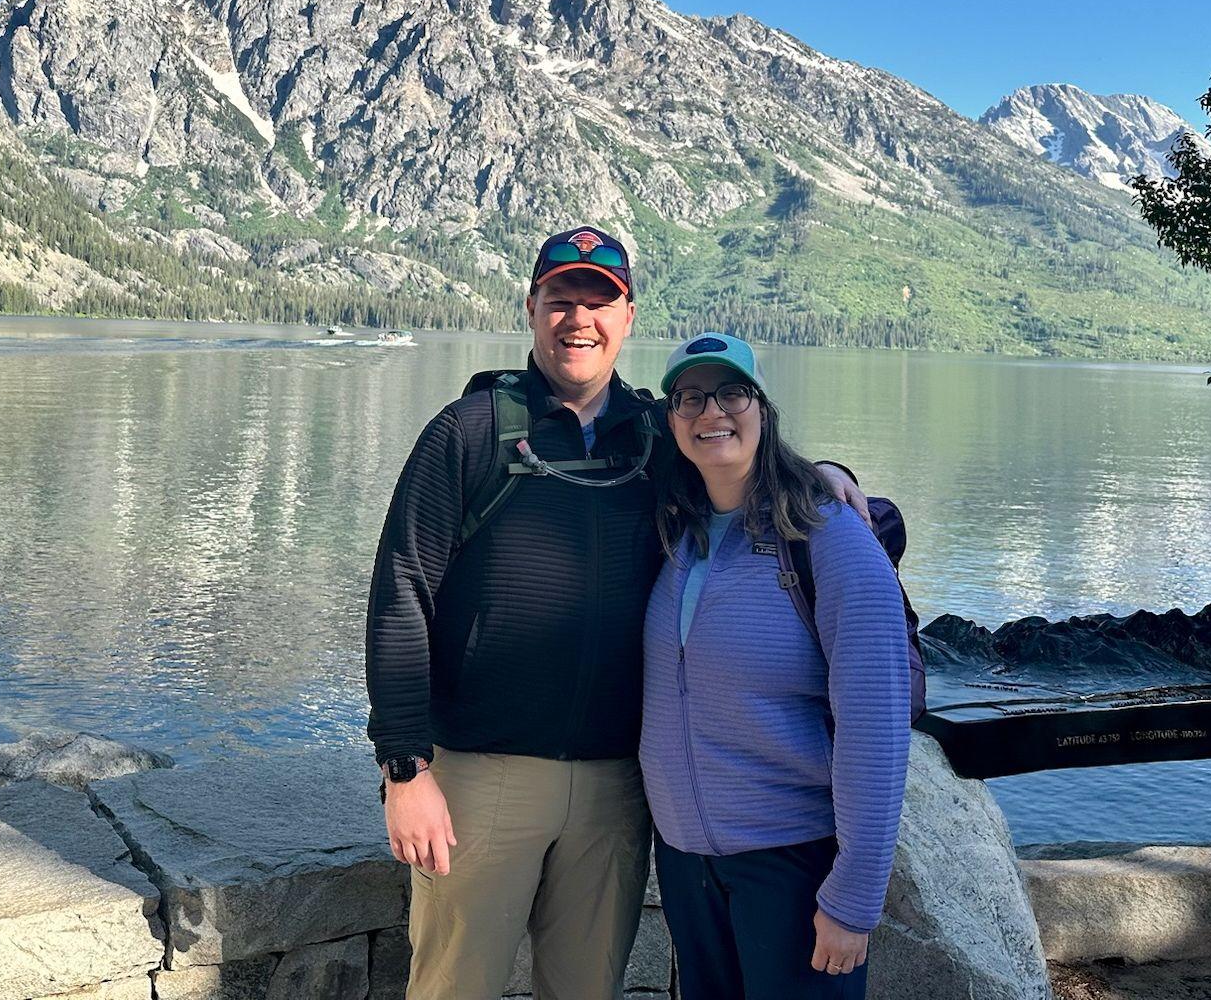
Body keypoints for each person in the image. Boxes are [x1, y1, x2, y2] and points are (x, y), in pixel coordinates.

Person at [364, 227, 866, 1000]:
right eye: (560, 300)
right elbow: (402, 591)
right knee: (452, 988)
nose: (578, 320)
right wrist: (405, 768)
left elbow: (745, 478)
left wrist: (829, 473)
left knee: (588, 989)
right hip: (481, 781)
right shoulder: (465, 434)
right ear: (531, 309)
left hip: (617, 789)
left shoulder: (656, 438)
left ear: (627, 318)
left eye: (599, 302)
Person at [640, 332, 912, 1000]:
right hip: (685, 864)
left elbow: (874, 729)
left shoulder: (831, 539)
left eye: (732, 392)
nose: (712, 413)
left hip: (791, 865)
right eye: (691, 398)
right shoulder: (677, 529)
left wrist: (853, 898)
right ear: (671, 419)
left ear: (762, 408)